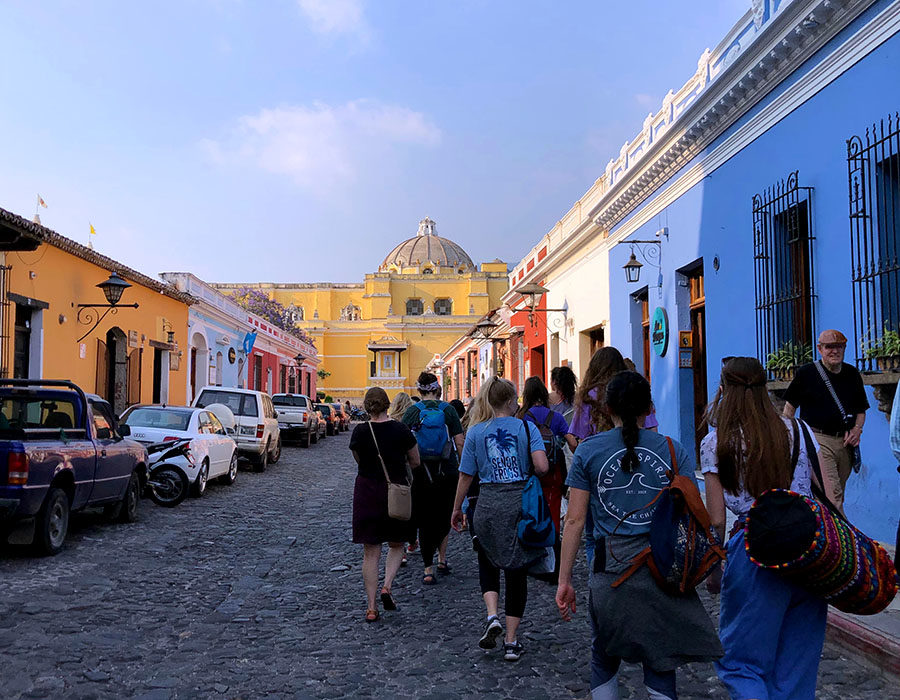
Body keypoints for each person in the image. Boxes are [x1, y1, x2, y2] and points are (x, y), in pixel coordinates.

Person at [556, 371, 721, 699]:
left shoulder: (588, 452)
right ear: (649, 407)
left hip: (611, 573)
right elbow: (693, 515)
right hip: (664, 573)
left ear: (607, 408)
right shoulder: (673, 451)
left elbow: (574, 521)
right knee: (660, 661)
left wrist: (565, 580)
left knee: (604, 655)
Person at [703, 357, 827, 700]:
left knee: (741, 663)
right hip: (808, 548)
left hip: (753, 549)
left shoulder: (717, 442)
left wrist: (714, 568)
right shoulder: (800, 431)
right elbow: (830, 499)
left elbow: (716, 519)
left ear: (724, 391)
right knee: (797, 669)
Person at [451, 376, 549, 662]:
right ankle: (510, 640)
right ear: (511, 401)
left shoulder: (476, 432)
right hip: (518, 504)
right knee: (516, 571)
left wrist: (456, 508)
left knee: (487, 560)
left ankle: (492, 614)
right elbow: (542, 466)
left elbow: (466, 475)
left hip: (487, 504)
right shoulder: (526, 427)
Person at [349, 387, 421, 622]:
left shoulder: (360, 432)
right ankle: (387, 586)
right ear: (388, 405)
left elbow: (358, 460)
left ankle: (371, 607)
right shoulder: (401, 430)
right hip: (395, 492)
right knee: (397, 543)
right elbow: (416, 461)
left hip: (367, 492)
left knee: (370, 553)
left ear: (367, 406)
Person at [783, 329, 868, 511]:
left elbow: (861, 410)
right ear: (820, 349)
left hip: (845, 444)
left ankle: (821, 531)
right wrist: (789, 439)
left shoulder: (852, 374)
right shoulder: (806, 373)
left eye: (839, 346)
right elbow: (789, 408)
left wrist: (857, 430)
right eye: (830, 347)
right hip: (817, 440)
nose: (835, 351)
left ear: (844, 348)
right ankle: (841, 537)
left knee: (836, 495)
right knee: (833, 496)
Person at [402, 372, 465, 584]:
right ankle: (442, 558)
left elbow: (402, 442)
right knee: (445, 513)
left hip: (420, 471)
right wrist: (465, 469)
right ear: (437, 389)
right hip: (446, 470)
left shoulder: (412, 411)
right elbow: (459, 442)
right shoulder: (448, 410)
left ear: (419, 390)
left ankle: (427, 569)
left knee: (424, 518)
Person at [517, 375, 577, 531]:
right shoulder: (556, 417)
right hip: (554, 469)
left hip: (530, 469)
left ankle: (534, 534)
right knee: (553, 504)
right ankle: (553, 537)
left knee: (530, 504)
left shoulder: (522, 418)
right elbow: (572, 442)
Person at [568, 347, 628, 441]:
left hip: (598, 451)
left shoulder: (588, 395)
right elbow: (651, 428)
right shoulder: (631, 391)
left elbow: (580, 437)